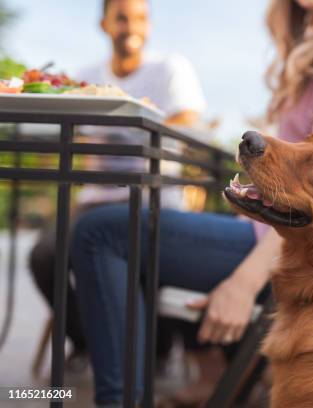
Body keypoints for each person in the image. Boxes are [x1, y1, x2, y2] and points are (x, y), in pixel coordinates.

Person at [70, 0, 313, 406]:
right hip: (274, 236)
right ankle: (207, 373)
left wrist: (246, 282)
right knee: (146, 226)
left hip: (282, 249)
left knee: (101, 233)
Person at [29, 0, 205, 374]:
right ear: (105, 24)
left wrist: (123, 129)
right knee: (45, 255)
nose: (131, 26)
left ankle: (149, 349)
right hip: (98, 197)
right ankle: (91, 342)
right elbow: (74, 138)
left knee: (140, 255)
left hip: (154, 195)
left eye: (140, 17)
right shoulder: (87, 75)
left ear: (150, 24)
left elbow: (189, 120)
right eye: (122, 17)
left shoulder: (168, 68)